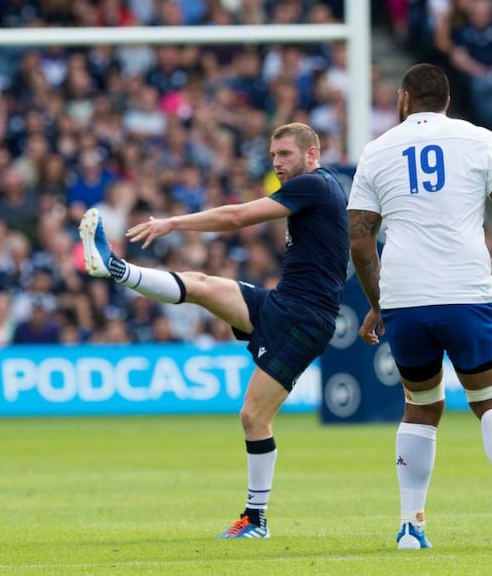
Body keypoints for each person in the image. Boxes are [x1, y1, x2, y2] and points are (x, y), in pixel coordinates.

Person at [78, 123, 348, 538]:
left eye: (286, 155)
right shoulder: (317, 188)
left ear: (312, 155)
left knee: (253, 417)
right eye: (274, 155)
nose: (277, 163)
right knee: (201, 285)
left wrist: (171, 223)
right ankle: (116, 267)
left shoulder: (315, 185)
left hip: (305, 320)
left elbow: (237, 217)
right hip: (281, 304)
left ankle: (256, 520)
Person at [346, 63, 492, 550]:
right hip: (466, 289)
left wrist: (378, 304)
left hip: (405, 299)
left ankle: (411, 527)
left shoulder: (377, 151)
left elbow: (360, 243)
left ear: (404, 98)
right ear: (446, 99)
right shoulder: (477, 138)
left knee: (420, 407)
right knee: (491, 399)